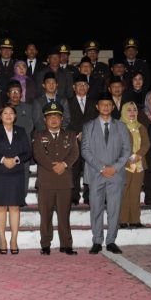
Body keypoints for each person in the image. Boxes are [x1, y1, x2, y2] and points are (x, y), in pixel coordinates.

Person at [81, 93, 131, 255]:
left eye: (108, 104)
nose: (105, 107)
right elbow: (85, 151)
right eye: (102, 104)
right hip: (96, 173)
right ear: (97, 107)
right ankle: (97, 240)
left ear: (112, 106)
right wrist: (102, 168)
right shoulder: (89, 126)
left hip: (115, 174)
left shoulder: (121, 126)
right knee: (96, 208)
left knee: (114, 209)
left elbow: (127, 150)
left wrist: (114, 167)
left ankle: (111, 241)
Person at [32, 102, 79, 255]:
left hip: (64, 181)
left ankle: (66, 244)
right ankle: (45, 244)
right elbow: (38, 155)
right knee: (45, 215)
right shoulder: (38, 136)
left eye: (57, 116)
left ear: (62, 119)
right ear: (45, 119)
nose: (53, 119)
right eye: (50, 117)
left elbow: (75, 153)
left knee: (64, 215)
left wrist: (64, 164)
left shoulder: (70, 135)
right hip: (46, 181)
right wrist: (53, 166)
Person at [0, 104, 32, 254]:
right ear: (0, 116)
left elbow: (27, 152)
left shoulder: (21, 131)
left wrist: (16, 160)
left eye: (11, 113)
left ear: (15, 116)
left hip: (16, 173)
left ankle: (13, 239)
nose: (8, 115)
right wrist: (2, 159)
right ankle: (2, 239)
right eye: (5, 113)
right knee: (0, 207)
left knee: (14, 207)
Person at [117, 102, 150, 229]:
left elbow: (146, 144)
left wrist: (138, 155)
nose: (132, 113)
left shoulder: (142, 127)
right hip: (124, 165)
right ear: (124, 112)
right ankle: (123, 220)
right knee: (124, 193)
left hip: (139, 164)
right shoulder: (119, 127)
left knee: (135, 193)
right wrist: (129, 156)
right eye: (129, 110)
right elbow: (118, 145)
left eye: (134, 110)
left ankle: (135, 220)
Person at [67, 74, 98, 205]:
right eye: (79, 85)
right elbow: (65, 121)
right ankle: (74, 196)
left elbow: (97, 121)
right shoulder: (67, 102)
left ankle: (88, 195)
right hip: (73, 140)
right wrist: (76, 134)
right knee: (74, 169)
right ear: (74, 87)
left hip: (90, 141)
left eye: (84, 85)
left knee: (90, 169)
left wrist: (87, 134)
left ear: (88, 87)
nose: (82, 87)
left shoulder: (94, 103)